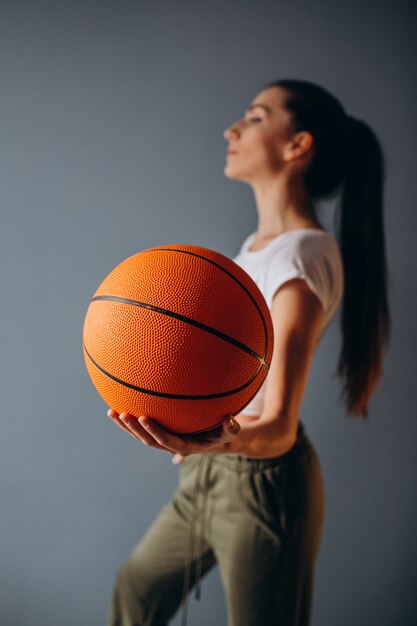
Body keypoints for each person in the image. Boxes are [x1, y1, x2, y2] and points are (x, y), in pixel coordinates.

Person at [106, 79, 391, 626]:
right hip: (210, 470)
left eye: (256, 118)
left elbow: (279, 424)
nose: (231, 129)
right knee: (135, 592)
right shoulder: (256, 250)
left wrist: (208, 442)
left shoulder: (304, 256)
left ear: (297, 145)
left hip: (264, 478)